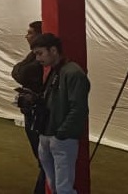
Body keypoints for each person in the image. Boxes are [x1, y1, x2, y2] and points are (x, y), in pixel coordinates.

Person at [31, 33, 90, 194]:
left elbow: (79, 108)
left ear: (53, 50)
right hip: (48, 133)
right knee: (55, 186)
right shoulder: (56, 71)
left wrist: (61, 134)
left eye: (40, 53)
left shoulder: (73, 73)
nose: (38, 58)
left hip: (61, 137)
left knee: (63, 188)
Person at [12, 21, 47, 194]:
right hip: (30, 110)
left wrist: (21, 70)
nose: (27, 36)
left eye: (30, 33)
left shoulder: (39, 60)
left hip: (38, 113)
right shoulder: (32, 56)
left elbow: (22, 72)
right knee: (42, 157)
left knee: (45, 158)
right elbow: (17, 71)